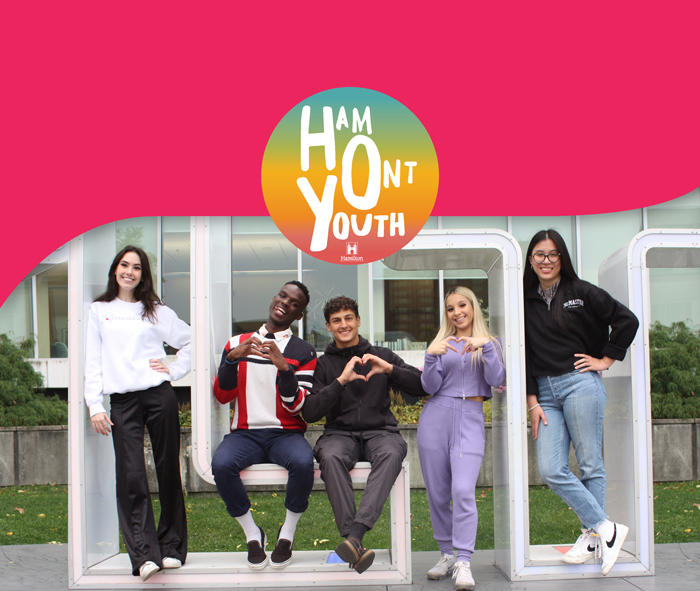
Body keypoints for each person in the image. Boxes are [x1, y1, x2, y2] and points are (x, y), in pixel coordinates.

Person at [524, 229, 639, 576]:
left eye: (553, 254)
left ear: (563, 258)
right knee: (550, 468)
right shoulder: (523, 299)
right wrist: (532, 400)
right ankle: (606, 529)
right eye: (539, 254)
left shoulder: (582, 292)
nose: (546, 261)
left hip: (579, 385)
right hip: (544, 393)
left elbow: (626, 320)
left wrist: (605, 360)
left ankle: (592, 538)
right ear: (530, 260)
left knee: (590, 464)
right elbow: (524, 353)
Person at [84, 245, 191, 582]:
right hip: (122, 402)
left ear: (144, 275)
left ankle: (172, 547)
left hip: (158, 395)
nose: (129, 272)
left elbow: (191, 341)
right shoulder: (99, 310)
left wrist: (173, 370)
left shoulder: (155, 311)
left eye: (136, 268)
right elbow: (93, 360)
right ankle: (144, 555)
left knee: (167, 470)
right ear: (115, 269)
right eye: (124, 265)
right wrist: (95, 404)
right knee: (131, 476)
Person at [303, 296, 426, 574]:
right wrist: (340, 381)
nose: (344, 325)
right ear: (328, 327)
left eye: (348, 318)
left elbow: (421, 386)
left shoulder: (381, 354)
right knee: (330, 456)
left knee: (393, 452)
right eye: (337, 321)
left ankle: (354, 537)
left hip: (380, 431)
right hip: (339, 434)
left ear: (358, 320)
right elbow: (309, 413)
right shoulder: (323, 365)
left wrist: (390, 369)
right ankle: (355, 540)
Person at [211, 281, 317, 570]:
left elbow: (297, 406)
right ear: (274, 298)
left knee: (303, 462)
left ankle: (287, 534)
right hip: (245, 433)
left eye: (295, 303)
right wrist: (232, 359)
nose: (285, 303)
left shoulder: (304, 351)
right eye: (283, 296)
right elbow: (222, 396)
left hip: (286, 434)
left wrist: (284, 368)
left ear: (299, 316)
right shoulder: (236, 343)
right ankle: (252, 534)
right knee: (221, 464)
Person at [418, 287, 505, 591]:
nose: (457, 313)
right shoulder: (442, 344)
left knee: (463, 489)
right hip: (436, 417)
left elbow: (497, 380)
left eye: (462, 305)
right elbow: (429, 385)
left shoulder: (492, 343)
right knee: (439, 493)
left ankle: (464, 560)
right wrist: (430, 357)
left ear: (473, 307)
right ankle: (446, 554)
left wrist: (488, 348)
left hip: (470, 417)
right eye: (450, 308)